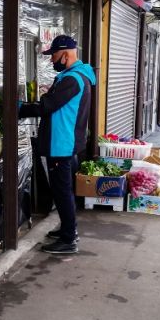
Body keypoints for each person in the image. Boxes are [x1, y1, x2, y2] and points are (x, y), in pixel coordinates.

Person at [19, 35, 95, 254]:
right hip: (66, 143)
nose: (52, 60)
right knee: (64, 191)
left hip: (61, 144)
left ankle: (69, 239)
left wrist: (19, 108)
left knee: (62, 192)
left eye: (53, 55)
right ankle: (67, 230)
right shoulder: (76, 76)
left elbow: (47, 106)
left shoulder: (72, 79)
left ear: (65, 54)